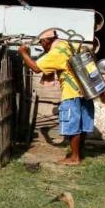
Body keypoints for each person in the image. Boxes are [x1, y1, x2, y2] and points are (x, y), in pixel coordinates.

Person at [18, 29, 93, 165]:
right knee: (81, 125)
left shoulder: (56, 52)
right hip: (86, 90)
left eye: (41, 43)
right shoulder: (70, 45)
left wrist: (24, 54)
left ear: (46, 41)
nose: (42, 46)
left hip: (71, 92)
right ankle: (78, 154)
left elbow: (36, 67)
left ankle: (74, 158)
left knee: (72, 125)